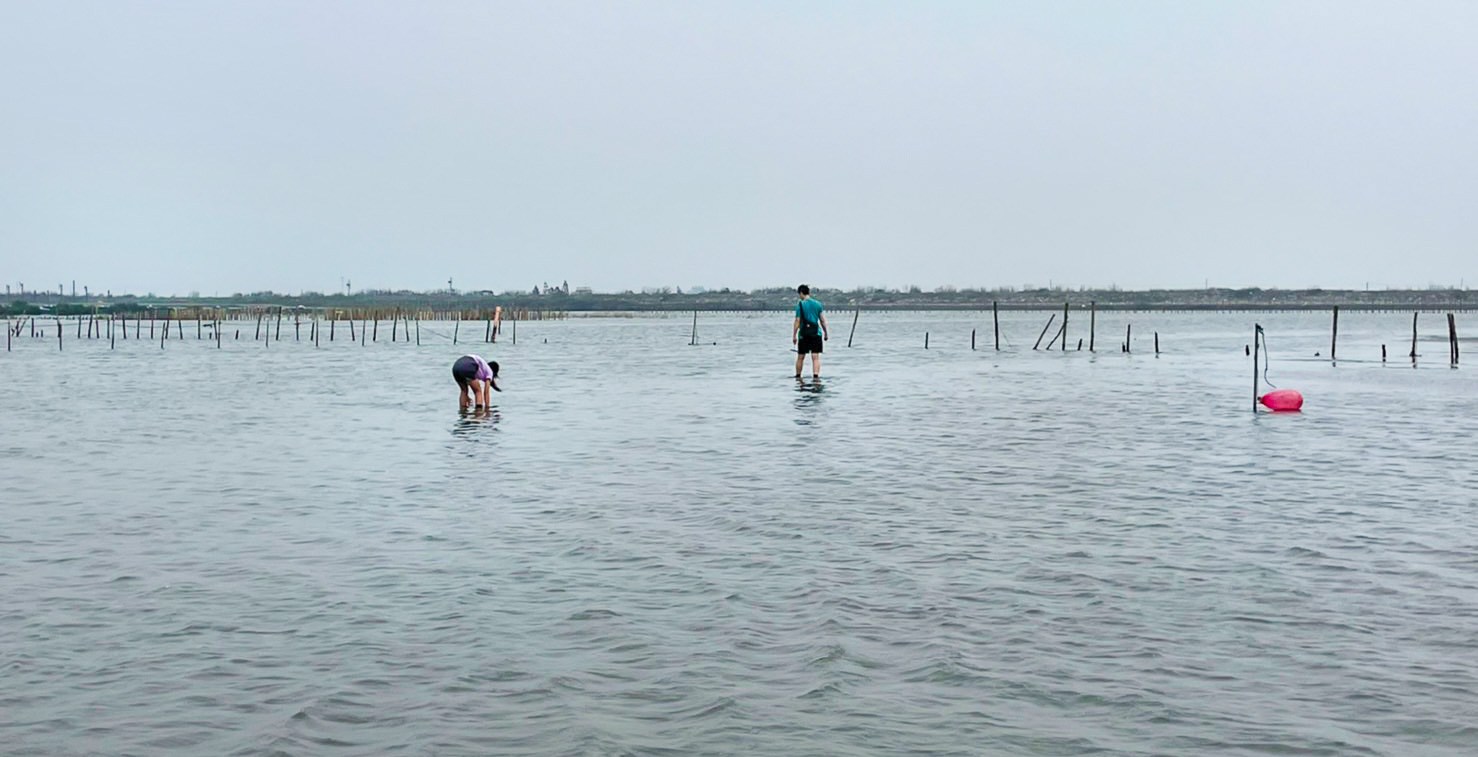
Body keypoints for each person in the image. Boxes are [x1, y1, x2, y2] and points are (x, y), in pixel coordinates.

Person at [792, 284, 828, 378]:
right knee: (815, 357)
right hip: (816, 333)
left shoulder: (800, 304)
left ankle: (798, 376)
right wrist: (826, 333)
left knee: (801, 356)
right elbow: (822, 320)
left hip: (803, 334)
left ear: (801, 293)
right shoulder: (817, 304)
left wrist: (794, 335)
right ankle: (816, 377)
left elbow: (797, 320)